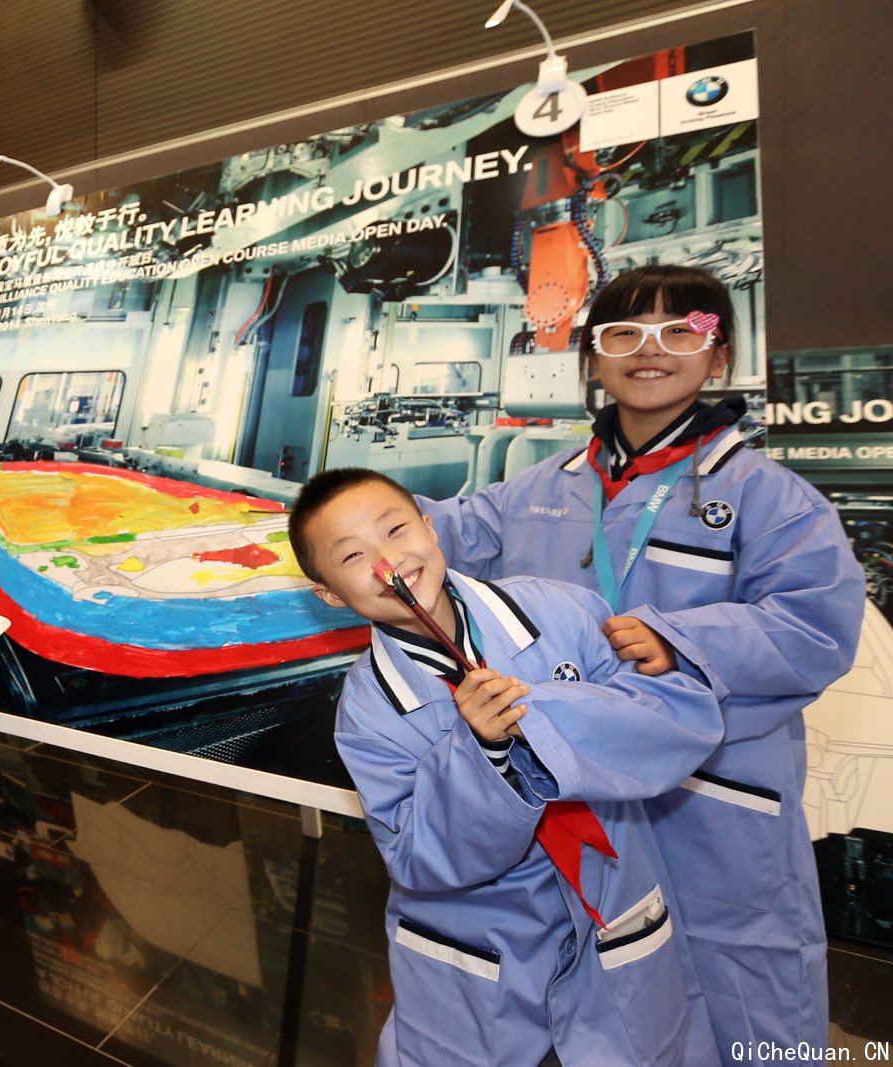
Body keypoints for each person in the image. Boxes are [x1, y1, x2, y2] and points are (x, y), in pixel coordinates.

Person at [420, 265, 864, 1062]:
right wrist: (349, 527)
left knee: (746, 990)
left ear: (718, 356)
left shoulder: (768, 494)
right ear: (593, 359)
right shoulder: (540, 487)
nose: (649, 349)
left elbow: (815, 625)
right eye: (623, 333)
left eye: (680, 332)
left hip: (708, 796)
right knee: (610, 991)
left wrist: (687, 641)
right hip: (576, 787)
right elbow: (435, 537)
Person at [290, 467, 724, 1067]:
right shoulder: (368, 712)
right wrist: (483, 753)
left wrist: (542, 716)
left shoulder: (559, 608)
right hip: (477, 953)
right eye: (353, 555)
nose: (388, 562)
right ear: (331, 595)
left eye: (395, 530)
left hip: (614, 906)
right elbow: (416, 857)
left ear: (431, 529)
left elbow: (674, 720)